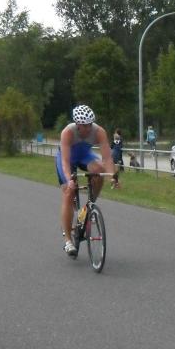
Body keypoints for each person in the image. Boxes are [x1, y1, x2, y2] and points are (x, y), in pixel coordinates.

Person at [56, 105, 118, 257]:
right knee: (69, 191)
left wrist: (112, 176)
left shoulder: (99, 131)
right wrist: (69, 180)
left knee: (99, 169)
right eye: (85, 126)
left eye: (90, 124)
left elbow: (107, 158)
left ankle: (89, 208)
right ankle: (68, 241)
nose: (89, 128)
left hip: (84, 156)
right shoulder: (68, 132)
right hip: (67, 160)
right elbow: (65, 161)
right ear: (78, 124)